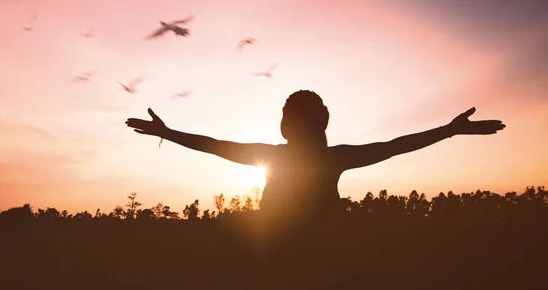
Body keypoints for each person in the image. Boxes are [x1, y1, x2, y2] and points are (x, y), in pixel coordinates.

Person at [125, 90, 506, 229]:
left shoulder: (291, 157)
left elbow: (397, 144)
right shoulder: (329, 158)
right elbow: (396, 145)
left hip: (313, 261)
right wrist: (448, 131)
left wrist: (448, 130)